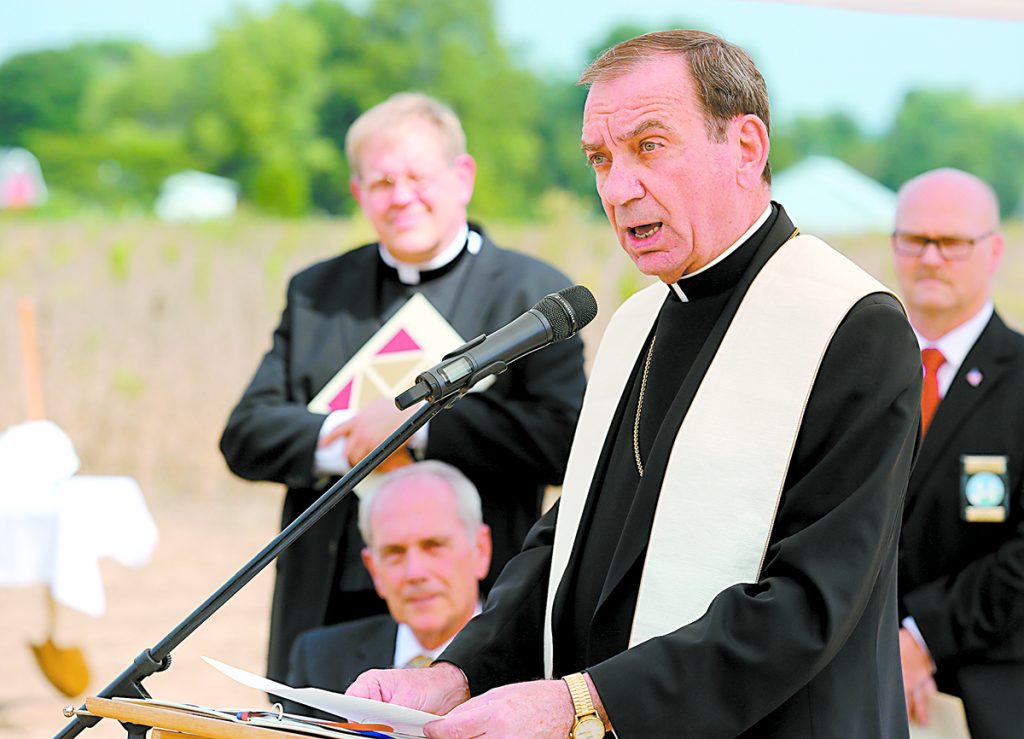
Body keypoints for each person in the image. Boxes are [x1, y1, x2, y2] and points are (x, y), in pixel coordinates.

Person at [346, 30, 922, 738]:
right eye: (600, 158)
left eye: (650, 146)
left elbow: (809, 599)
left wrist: (582, 702)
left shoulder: (849, 324)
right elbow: (572, 539)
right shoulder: (638, 321)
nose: (619, 189)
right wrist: (455, 671)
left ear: (745, 147)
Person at [219, 92, 586, 684]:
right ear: (359, 191)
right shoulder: (318, 292)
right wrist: (346, 439)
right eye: (382, 182)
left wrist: (419, 429)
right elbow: (246, 434)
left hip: (474, 608)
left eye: (418, 176)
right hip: (329, 599)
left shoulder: (532, 296)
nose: (401, 197)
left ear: (462, 177)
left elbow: (565, 440)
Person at [892, 168, 1023, 739]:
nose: (931, 257)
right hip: (854, 679)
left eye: (952, 243)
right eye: (915, 239)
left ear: (993, 251)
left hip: (987, 691)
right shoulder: (858, 374)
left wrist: (919, 640)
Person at [283, 461, 491, 717]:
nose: (415, 573)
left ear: (481, 550)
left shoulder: (538, 669)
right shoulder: (319, 661)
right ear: (374, 569)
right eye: (394, 552)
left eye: (434, 545)